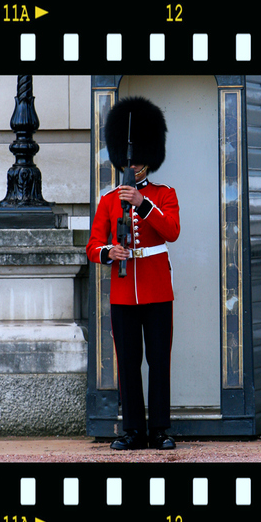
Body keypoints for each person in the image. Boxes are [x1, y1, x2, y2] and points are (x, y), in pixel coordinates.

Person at [86, 96, 180, 450]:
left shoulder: (163, 194)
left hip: (157, 289)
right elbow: (93, 245)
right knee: (127, 363)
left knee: (158, 360)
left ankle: (159, 429)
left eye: (141, 158)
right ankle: (133, 430)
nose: (135, 165)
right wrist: (111, 251)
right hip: (124, 292)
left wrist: (144, 204)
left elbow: (171, 230)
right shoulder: (109, 201)